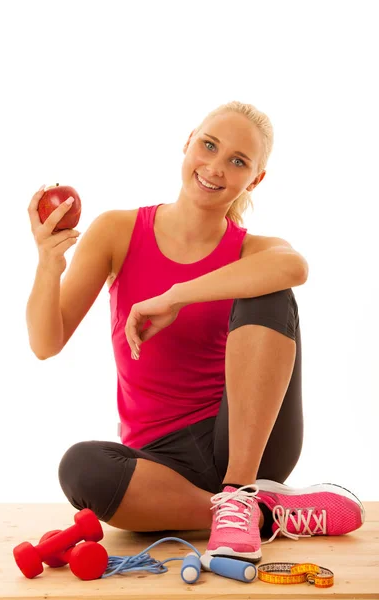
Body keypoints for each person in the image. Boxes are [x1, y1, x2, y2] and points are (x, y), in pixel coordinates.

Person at [27, 101, 365, 563]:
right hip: (160, 465)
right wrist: (49, 263)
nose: (216, 167)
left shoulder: (251, 250)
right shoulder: (118, 231)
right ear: (188, 142)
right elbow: (46, 343)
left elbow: (294, 266)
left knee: (270, 286)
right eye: (209, 145)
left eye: (238, 161)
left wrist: (176, 295)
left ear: (255, 179)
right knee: (80, 469)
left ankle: (239, 490)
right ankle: (258, 513)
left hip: (248, 442)